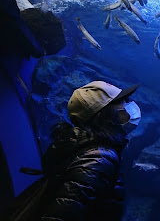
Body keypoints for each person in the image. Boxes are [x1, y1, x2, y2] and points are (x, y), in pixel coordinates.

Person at [38, 81, 141, 221]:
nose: (128, 105)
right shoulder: (98, 159)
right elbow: (61, 215)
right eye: (121, 101)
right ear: (105, 114)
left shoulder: (86, 148)